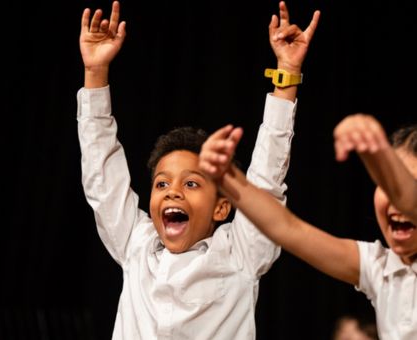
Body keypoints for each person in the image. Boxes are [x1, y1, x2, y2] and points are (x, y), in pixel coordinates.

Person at [77, 1, 320, 339]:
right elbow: (103, 180)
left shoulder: (241, 254)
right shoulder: (138, 244)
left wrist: (287, 74)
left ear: (222, 206)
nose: (172, 191)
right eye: (161, 184)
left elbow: (266, 181)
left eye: (192, 184)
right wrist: (95, 74)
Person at [198, 116, 417, 340]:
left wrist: (376, 155)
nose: (392, 198)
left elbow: (408, 200)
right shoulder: (380, 267)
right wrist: (227, 177)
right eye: (382, 185)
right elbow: (286, 227)